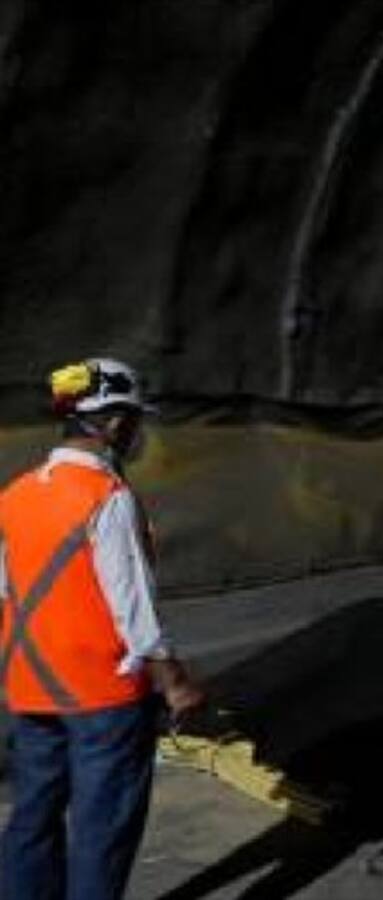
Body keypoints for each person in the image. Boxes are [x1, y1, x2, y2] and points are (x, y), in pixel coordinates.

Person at [0, 358, 205, 899]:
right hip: (102, 696)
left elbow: (5, 592)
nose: (137, 434)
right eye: (134, 421)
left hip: (30, 690)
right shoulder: (106, 495)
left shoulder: (15, 495)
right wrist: (175, 683)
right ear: (113, 422)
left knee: (31, 821)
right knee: (100, 834)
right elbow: (132, 605)